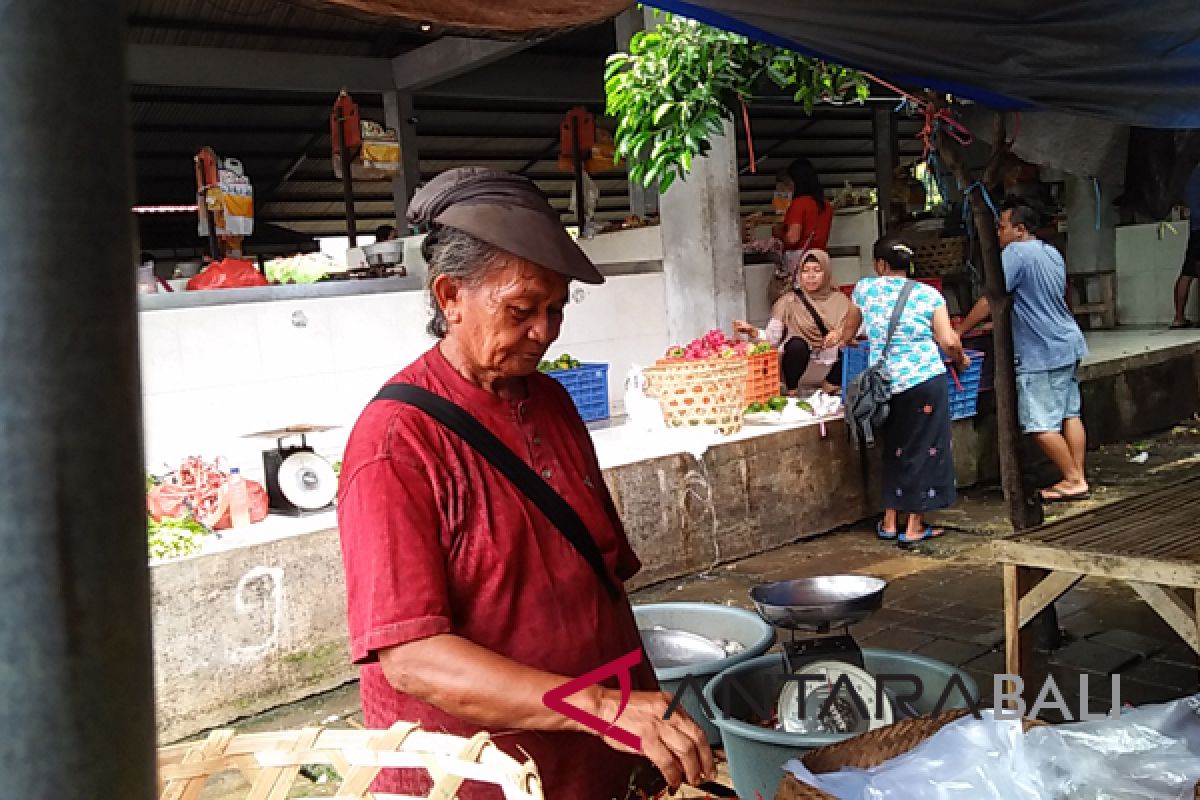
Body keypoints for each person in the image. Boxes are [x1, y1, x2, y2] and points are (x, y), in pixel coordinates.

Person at [336, 167, 713, 800]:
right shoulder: (396, 443)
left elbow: (605, 581)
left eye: (556, 308)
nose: (545, 331)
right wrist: (599, 706)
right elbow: (412, 657)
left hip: (598, 766)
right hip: (480, 780)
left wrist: (641, 706)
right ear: (450, 295)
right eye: (521, 309)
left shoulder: (553, 402)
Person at [830, 237, 969, 544]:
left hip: (886, 384)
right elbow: (948, 342)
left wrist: (846, 338)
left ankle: (890, 521)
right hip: (925, 381)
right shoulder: (929, 295)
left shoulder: (865, 289)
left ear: (880, 265)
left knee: (894, 449)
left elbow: (850, 331)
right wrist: (961, 360)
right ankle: (915, 525)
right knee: (926, 448)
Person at [955, 198, 1090, 503]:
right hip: (1067, 341)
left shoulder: (1014, 254)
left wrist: (960, 330)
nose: (998, 233)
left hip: (1039, 350)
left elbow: (992, 297)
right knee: (1070, 413)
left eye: (1002, 227)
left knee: (1039, 422)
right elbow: (1036, 298)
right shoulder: (1050, 251)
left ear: (1019, 229)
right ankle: (1077, 475)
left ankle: (1072, 478)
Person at [734, 249, 849, 395]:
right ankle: (792, 393)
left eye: (817, 270)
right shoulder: (788, 302)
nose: (811, 276)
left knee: (853, 344)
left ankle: (830, 387)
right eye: (805, 271)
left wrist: (839, 334)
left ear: (826, 273)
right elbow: (772, 339)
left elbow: (858, 330)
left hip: (829, 366)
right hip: (796, 369)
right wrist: (752, 331)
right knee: (797, 344)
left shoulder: (840, 301)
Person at [1171, 163, 1200, 328]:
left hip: (1196, 228)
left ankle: (1178, 317)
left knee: (1187, 272)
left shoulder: (1194, 174)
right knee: (1189, 273)